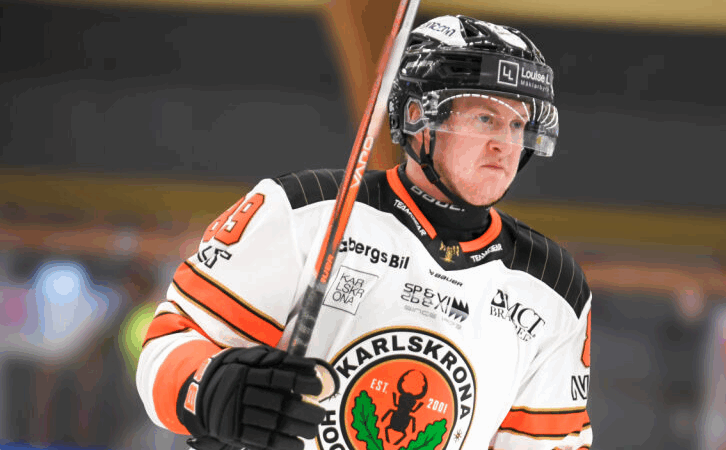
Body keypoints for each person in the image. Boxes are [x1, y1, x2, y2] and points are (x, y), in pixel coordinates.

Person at [136, 14, 592, 450]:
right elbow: (168, 346)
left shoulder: (554, 288)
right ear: (418, 115)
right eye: (485, 119)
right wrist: (208, 387)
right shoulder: (305, 210)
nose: (505, 144)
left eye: (517, 124)